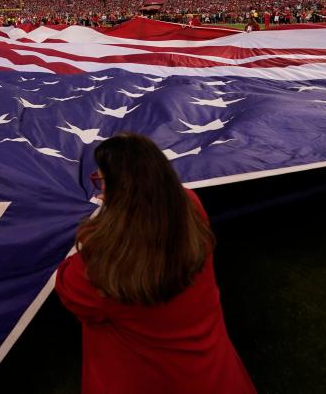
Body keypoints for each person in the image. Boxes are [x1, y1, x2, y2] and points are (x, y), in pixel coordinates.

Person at [56, 133, 256, 394]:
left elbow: (71, 292)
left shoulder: (100, 261)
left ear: (116, 189)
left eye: (102, 180)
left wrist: (99, 230)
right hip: (213, 373)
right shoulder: (190, 206)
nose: (100, 187)